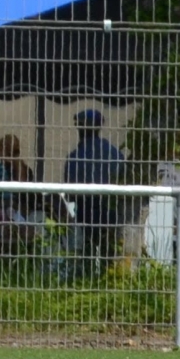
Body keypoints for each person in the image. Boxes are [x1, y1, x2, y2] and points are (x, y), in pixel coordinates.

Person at [64, 108, 125, 266]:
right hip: (111, 212)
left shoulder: (75, 157)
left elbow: (69, 194)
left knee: (86, 253)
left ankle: (86, 273)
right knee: (109, 253)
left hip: (86, 213)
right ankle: (108, 273)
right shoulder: (114, 154)